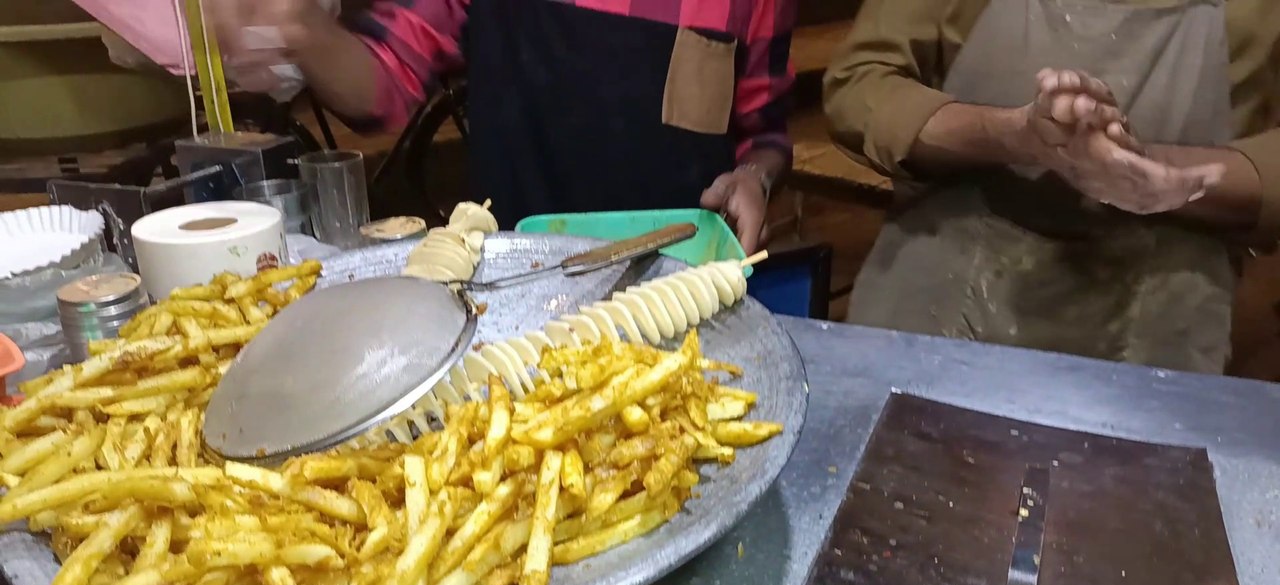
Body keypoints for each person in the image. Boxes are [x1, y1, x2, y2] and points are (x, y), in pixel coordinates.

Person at [824, 0, 1280, 374]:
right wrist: (1011, 134)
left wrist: (1154, 171)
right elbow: (860, 84)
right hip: (951, 254)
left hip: (1165, 286)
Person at [208, 0, 797, 252]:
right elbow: (383, 87)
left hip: (680, 296)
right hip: (516, 305)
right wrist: (304, 32)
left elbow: (763, 130)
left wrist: (755, 177)